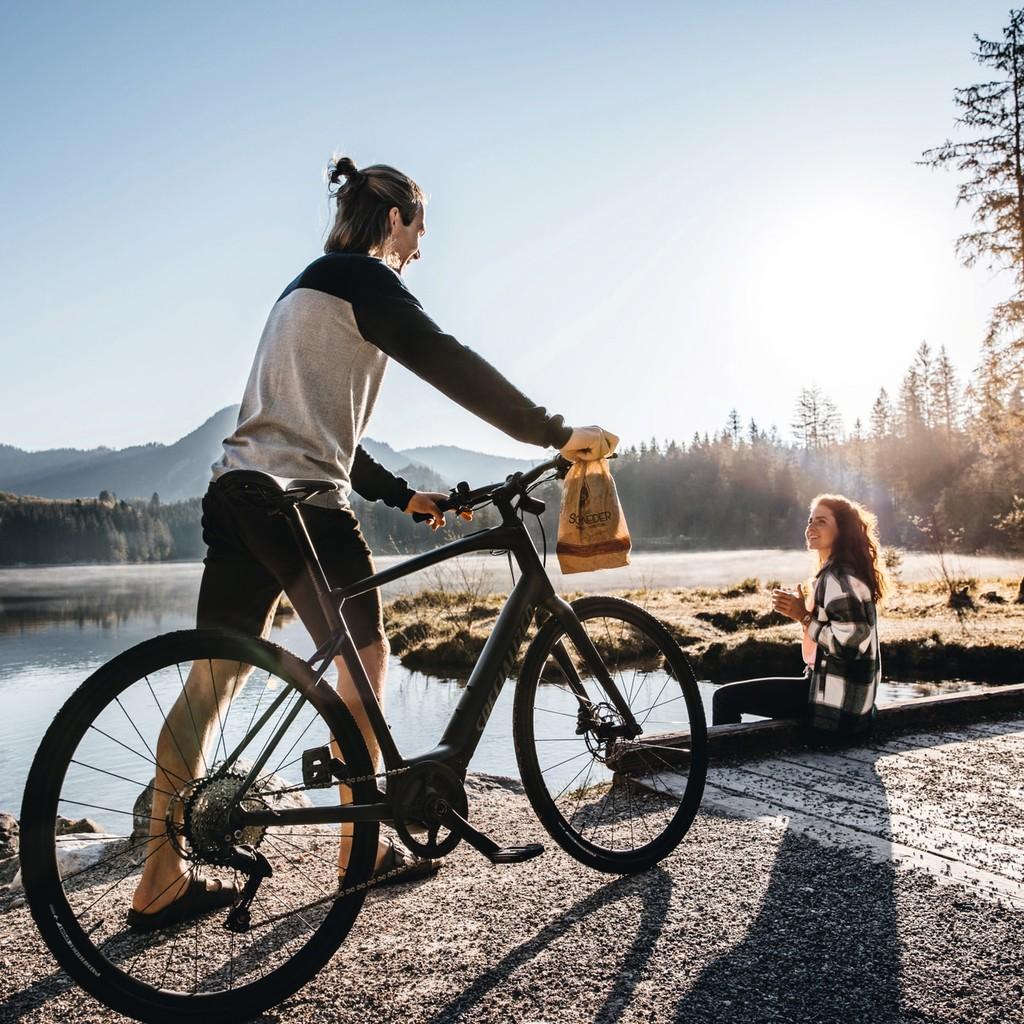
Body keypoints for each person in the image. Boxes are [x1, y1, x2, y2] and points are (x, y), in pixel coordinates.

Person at [128, 155, 612, 929]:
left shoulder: (305, 290)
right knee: (368, 663)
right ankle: (361, 850)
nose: (421, 247)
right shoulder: (367, 281)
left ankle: (159, 874)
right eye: (421, 228)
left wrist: (398, 495)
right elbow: (447, 359)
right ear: (396, 220)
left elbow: (322, 431)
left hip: (240, 495)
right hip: (304, 505)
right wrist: (556, 432)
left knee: (211, 686)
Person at [711, 493, 885, 737]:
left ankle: (724, 771)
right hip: (839, 700)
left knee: (725, 698)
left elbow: (850, 647)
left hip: (836, 710)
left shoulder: (839, 579)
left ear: (842, 530)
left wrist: (803, 616)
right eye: (810, 520)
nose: (811, 527)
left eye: (822, 521)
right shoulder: (837, 574)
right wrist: (801, 613)